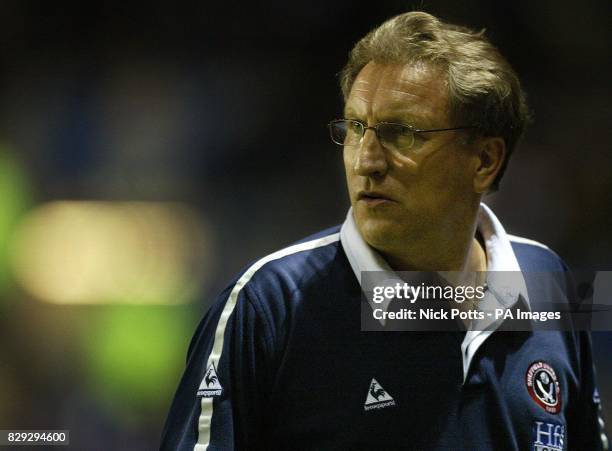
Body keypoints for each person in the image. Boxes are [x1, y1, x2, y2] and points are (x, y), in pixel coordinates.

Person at [161, 11, 608, 450]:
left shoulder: (551, 285)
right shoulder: (267, 304)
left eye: (401, 133)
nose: (366, 161)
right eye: (356, 128)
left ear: (485, 160)